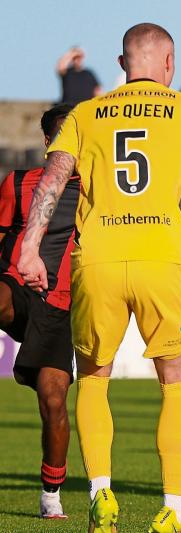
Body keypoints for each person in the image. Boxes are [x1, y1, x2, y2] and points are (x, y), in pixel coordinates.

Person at [17, 23, 181, 533]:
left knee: (95, 380)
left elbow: (53, 181)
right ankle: (172, 505)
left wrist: (31, 247)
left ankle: (101, 491)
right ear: (169, 62)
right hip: (161, 259)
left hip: (97, 259)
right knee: (175, 384)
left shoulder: (84, 113)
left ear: (124, 64)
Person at [0, 104, 76, 520]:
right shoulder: (17, 183)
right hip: (13, 283)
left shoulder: (97, 192)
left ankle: (51, 494)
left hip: (58, 307)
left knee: (53, 401)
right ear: (47, 142)